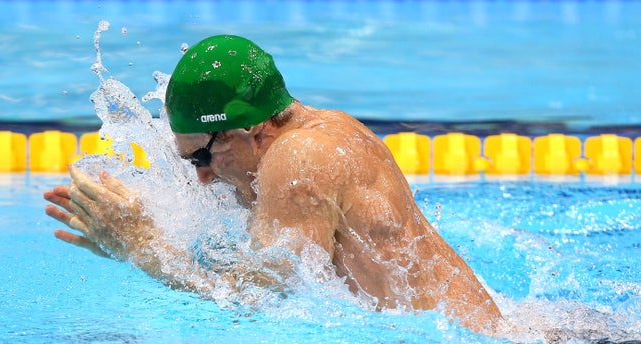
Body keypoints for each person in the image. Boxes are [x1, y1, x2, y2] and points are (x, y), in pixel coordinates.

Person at [44, 35, 502, 333]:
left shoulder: (298, 158)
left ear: (252, 131)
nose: (202, 178)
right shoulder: (328, 129)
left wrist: (141, 247)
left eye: (204, 157)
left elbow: (258, 299)